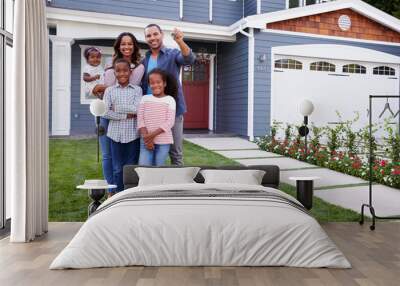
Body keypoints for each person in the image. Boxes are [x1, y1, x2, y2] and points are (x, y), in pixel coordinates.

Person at [91, 32, 144, 192]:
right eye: (123, 44)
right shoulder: (109, 66)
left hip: (129, 125)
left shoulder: (139, 68)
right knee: (108, 156)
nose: (126, 47)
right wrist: (100, 90)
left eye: (129, 44)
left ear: (134, 46)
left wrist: (115, 106)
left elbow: (134, 102)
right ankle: (111, 190)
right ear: (118, 46)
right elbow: (105, 100)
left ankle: (126, 191)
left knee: (128, 162)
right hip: (111, 121)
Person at [142, 24, 195, 166]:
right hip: (150, 114)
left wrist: (179, 40)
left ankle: (178, 186)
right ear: (146, 38)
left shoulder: (172, 54)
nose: (152, 38)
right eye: (148, 35)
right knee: (150, 151)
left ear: (162, 35)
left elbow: (189, 59)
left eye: (155, 34)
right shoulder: (144, 59)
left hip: (172, 111)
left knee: (175, 153)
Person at [102, 58, 142, 196]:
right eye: (118, 71)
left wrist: (117, 108)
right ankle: (117, 194)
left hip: (132, 135)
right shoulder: (109, 91)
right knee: (117, 168)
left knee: (130, 167)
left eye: (125, 70)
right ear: (114, 73)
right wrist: (125, 115)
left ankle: (129, 194)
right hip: (115, 136)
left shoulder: (137, 90)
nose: (122, 73)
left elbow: (137, 109)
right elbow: (105, 111)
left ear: (130, 72)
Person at [137, 69, 177, 166]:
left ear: (164, 83)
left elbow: (170, 122)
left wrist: (150, 136)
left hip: (163, 141)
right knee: (144, 168)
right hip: (145, 140)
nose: (155, 85)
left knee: (158, 169)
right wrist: (146, 139)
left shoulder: (170, 100)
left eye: (158, 82)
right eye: (152, 83)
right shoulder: (144, 99)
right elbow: (140, 119)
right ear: (149, 84)